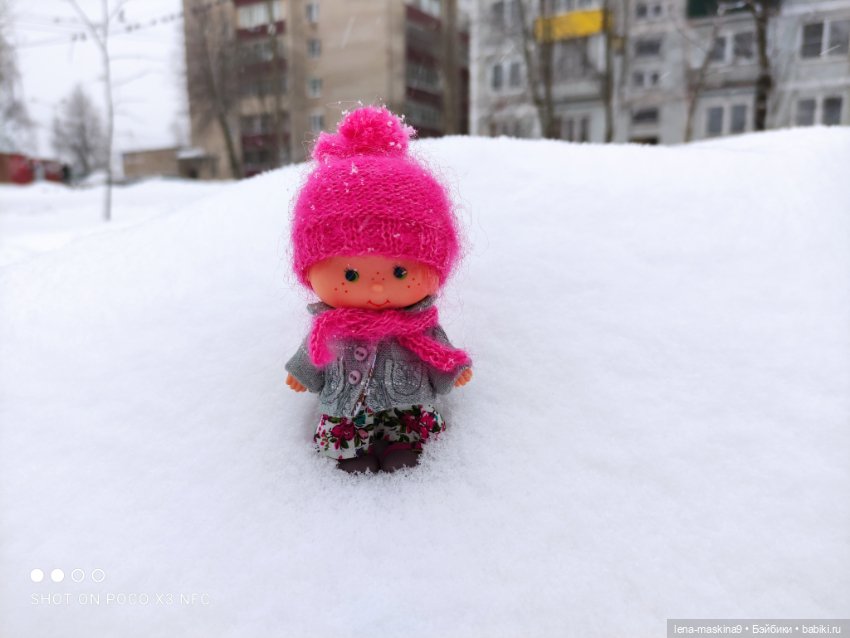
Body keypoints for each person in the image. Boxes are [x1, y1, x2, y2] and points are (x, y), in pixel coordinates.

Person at [285, 105, 473, 474]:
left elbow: (437, 350)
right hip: (347, 409)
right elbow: (315, 351)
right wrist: (302, 372)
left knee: (406, 443)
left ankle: (403, 448)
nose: (375, 286)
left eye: (400, 271)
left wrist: (452, 370)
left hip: (408, 404)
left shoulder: (419, 325)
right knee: (349, 448)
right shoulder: (331, 326)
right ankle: (352, 455)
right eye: (350, 275)